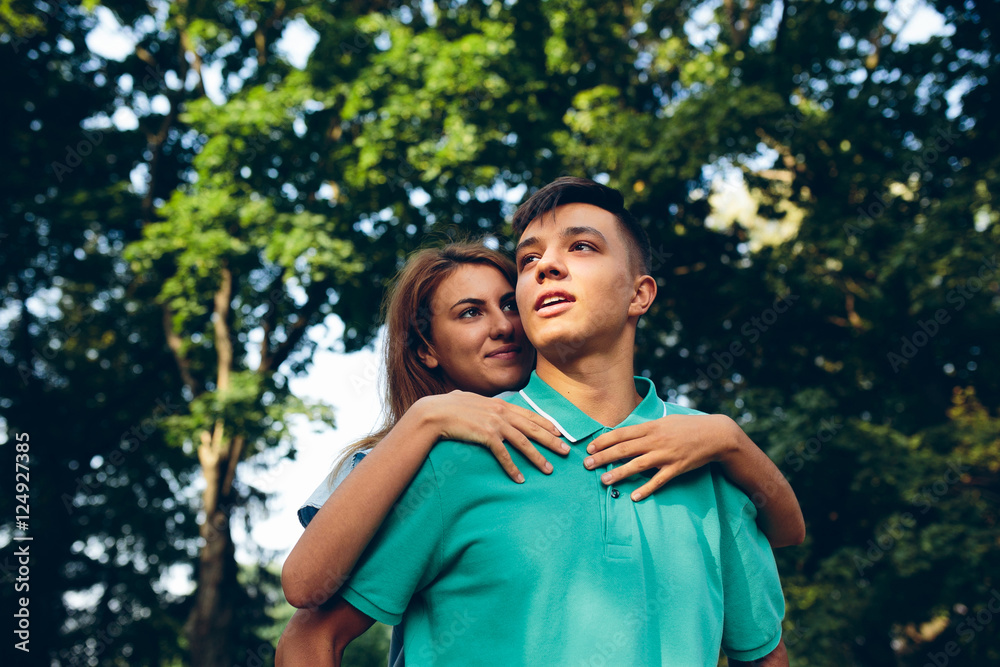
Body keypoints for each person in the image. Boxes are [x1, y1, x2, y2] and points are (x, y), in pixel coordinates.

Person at [277, 191, 798, 664]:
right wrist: (425, 420)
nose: (547, 265)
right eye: (529, 259)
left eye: (582, 248)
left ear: (640, 294)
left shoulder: (706, 451)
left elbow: (768, 636)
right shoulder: (439, 453)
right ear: (427, 351)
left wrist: (728, 437)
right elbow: (308, 621)